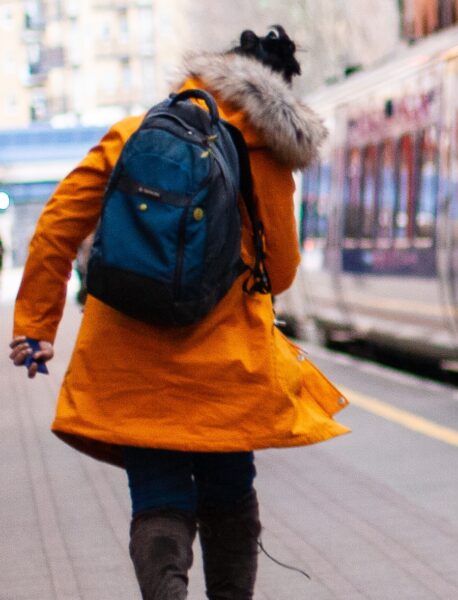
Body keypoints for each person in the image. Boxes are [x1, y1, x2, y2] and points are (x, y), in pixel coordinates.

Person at [8, 26, 348, 600]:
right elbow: (283, 270)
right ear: (277, 96)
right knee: (229, 493)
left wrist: (36, 329)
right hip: (226, 367)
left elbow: (55, 228)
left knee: (158, 496)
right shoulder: (267, 156)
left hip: (131, 360)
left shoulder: (135, 133)